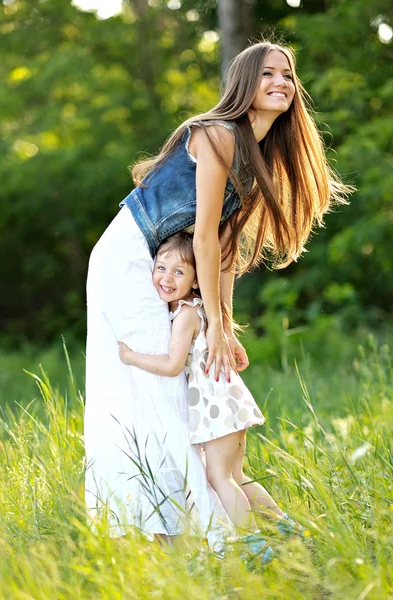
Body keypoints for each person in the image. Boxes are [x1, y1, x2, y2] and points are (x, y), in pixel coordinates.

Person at [84, 40, 351, 553]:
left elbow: (224, 255)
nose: (281, 82)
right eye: (268, 73)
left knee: (179, 387)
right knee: (158, 385)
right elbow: (202, 235)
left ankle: (248, 535)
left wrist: (223, 327)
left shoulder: (255, 156)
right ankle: (190, 537)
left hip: (169, 263)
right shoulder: (216, 135)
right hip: (134, 258)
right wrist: (215, 324)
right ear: (244, 83)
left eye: (288, 75)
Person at [118, 232, 303, 562]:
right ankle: (289, 530)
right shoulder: (196, 309)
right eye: (161, 268)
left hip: (215, 406)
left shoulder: (187, 314)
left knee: (217, 477)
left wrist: (131, 357)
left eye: (179, 272)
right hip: (226, 401)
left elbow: (173, 364)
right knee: (236, 475)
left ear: (195, 280)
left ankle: (257, 548)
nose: (166, 278)